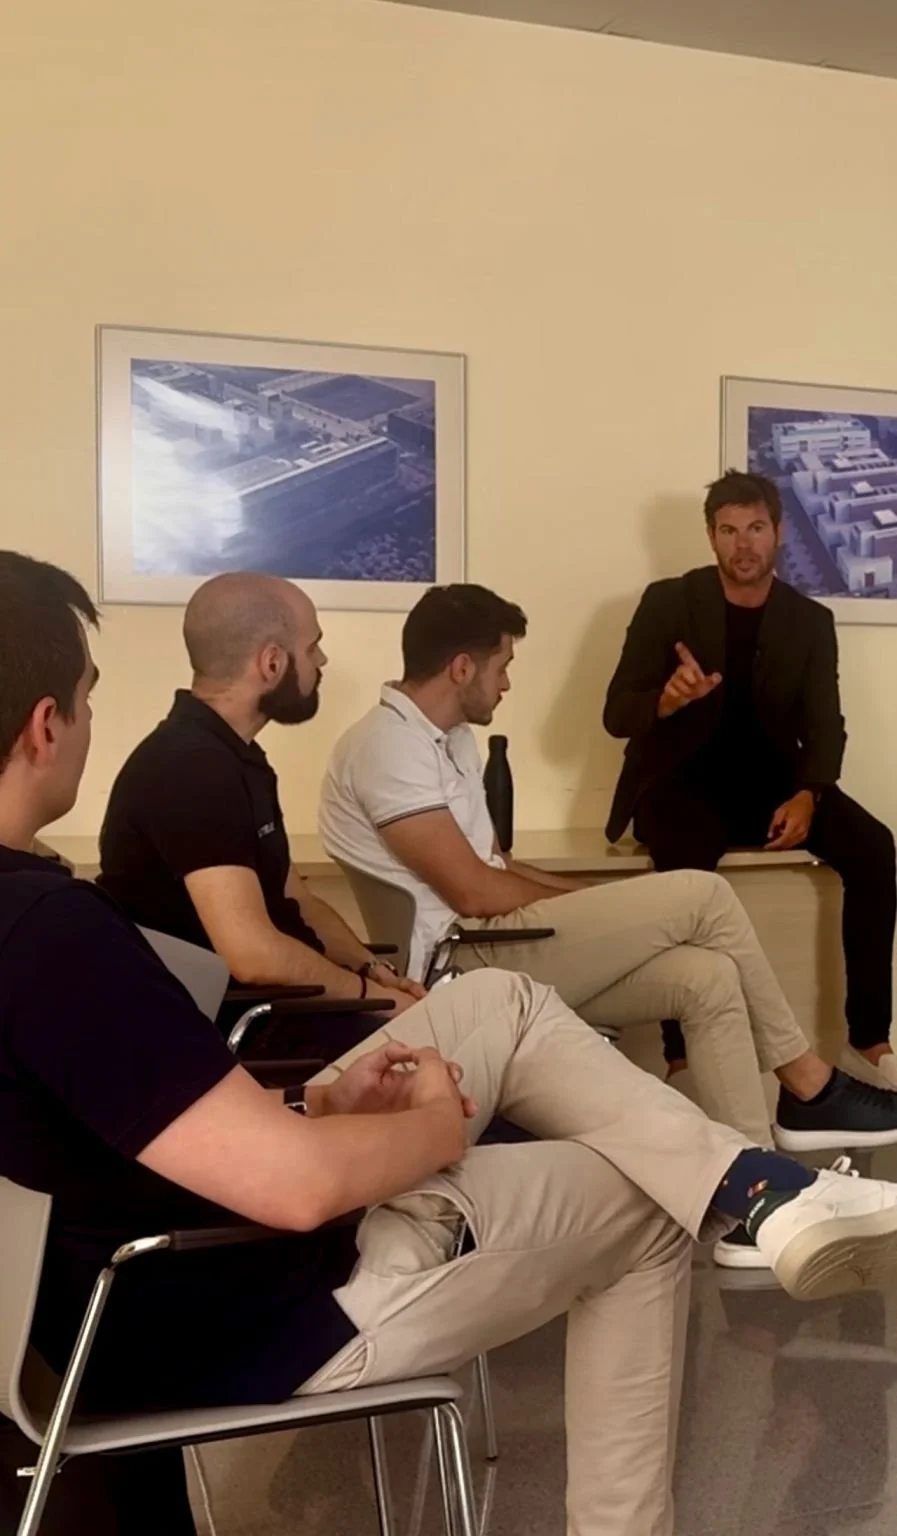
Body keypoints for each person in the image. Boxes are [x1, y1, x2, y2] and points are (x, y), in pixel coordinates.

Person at [7, 554, 897, 1536]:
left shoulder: (48, 912)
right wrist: (432, 1128)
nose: (94, 718)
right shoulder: (52, 929)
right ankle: (750, 1183)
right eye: (88, 695)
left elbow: (130, 1108)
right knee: (652, 1199)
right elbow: (295, 1181)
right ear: (47, 725)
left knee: (505, 1002)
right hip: (229, 1307)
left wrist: (323, 1105)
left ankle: (760, 1185)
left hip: (148, 1268)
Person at [319, 581, 897, 1264]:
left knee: (703, 976)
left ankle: (756, 1205)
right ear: (462, 668)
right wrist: (605, 909)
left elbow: (497, 861)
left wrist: (594, 903)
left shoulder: (445, 740)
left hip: (502, 939)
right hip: (466, 964)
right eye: (502, 666)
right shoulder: (388, 747)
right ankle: (805, 1084)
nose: (506, 684)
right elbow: (473, 893)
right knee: (701, 896)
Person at [603, 469, 897, 1091]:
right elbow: (615, 714)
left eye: (756, 528)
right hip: (681, 780)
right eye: (729, 530)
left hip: (775, 786)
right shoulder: (668, 601)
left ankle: (869, 1042)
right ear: (711, 537)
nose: (744, 544)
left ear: (779, 533)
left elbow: (826, 724)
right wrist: (666, 700)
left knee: (877, 849)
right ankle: (680, 1057)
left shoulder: (809, 620)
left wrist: (809, 793)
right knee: (682, 872)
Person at [98, 573, 425, 1021]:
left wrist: (371, 969)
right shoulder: (192, 769)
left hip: (300, 1012)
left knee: (503, 1009)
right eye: (312, 648)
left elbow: (299, 902)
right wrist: (373, 998)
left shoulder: (235, 757)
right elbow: (252, 955)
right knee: (510, 1015)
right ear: (272, 663)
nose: (322, 659)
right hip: (262, 1033)